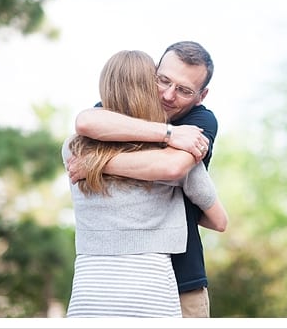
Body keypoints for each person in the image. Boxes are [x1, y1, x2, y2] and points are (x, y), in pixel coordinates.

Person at [62, 49, 228, 318]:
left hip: (182, 277)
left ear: (201, 96)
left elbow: (171, 167)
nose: (168, 95)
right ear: (152, 74)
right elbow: (85, 121)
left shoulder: (201, 121)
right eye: (163, 80)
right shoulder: (112, 123)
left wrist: (96, 164)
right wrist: (170, 134)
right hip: (120, 279)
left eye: (184, 90)